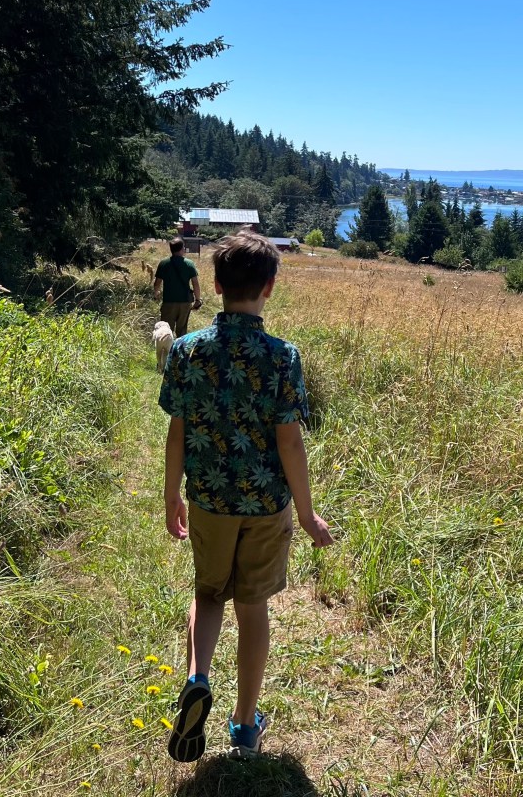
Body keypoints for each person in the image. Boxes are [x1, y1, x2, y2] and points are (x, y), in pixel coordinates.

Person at [158, 230, 334, 762]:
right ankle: (243, 725)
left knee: (209, 593)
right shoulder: (283, 357)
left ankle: (197, 678)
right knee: (252, 607)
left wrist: (171, 496)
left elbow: (177, 432)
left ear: (214, 284)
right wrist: (307, 514)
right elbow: (290, 442)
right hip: (265, 505)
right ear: (270, 287)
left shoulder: (186, 351)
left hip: (209, 500)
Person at [153, 237, 202, 338]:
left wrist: (156, 294)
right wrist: (198, 300)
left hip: (168, 302)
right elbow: (195, 284)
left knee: (165, 332)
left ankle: (166, 348)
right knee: (182, 332)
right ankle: (180, 347)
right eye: (183, 247)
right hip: (185, 303)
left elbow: (157, 283)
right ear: (181, 249)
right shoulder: (189, 264)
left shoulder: (164, 263)